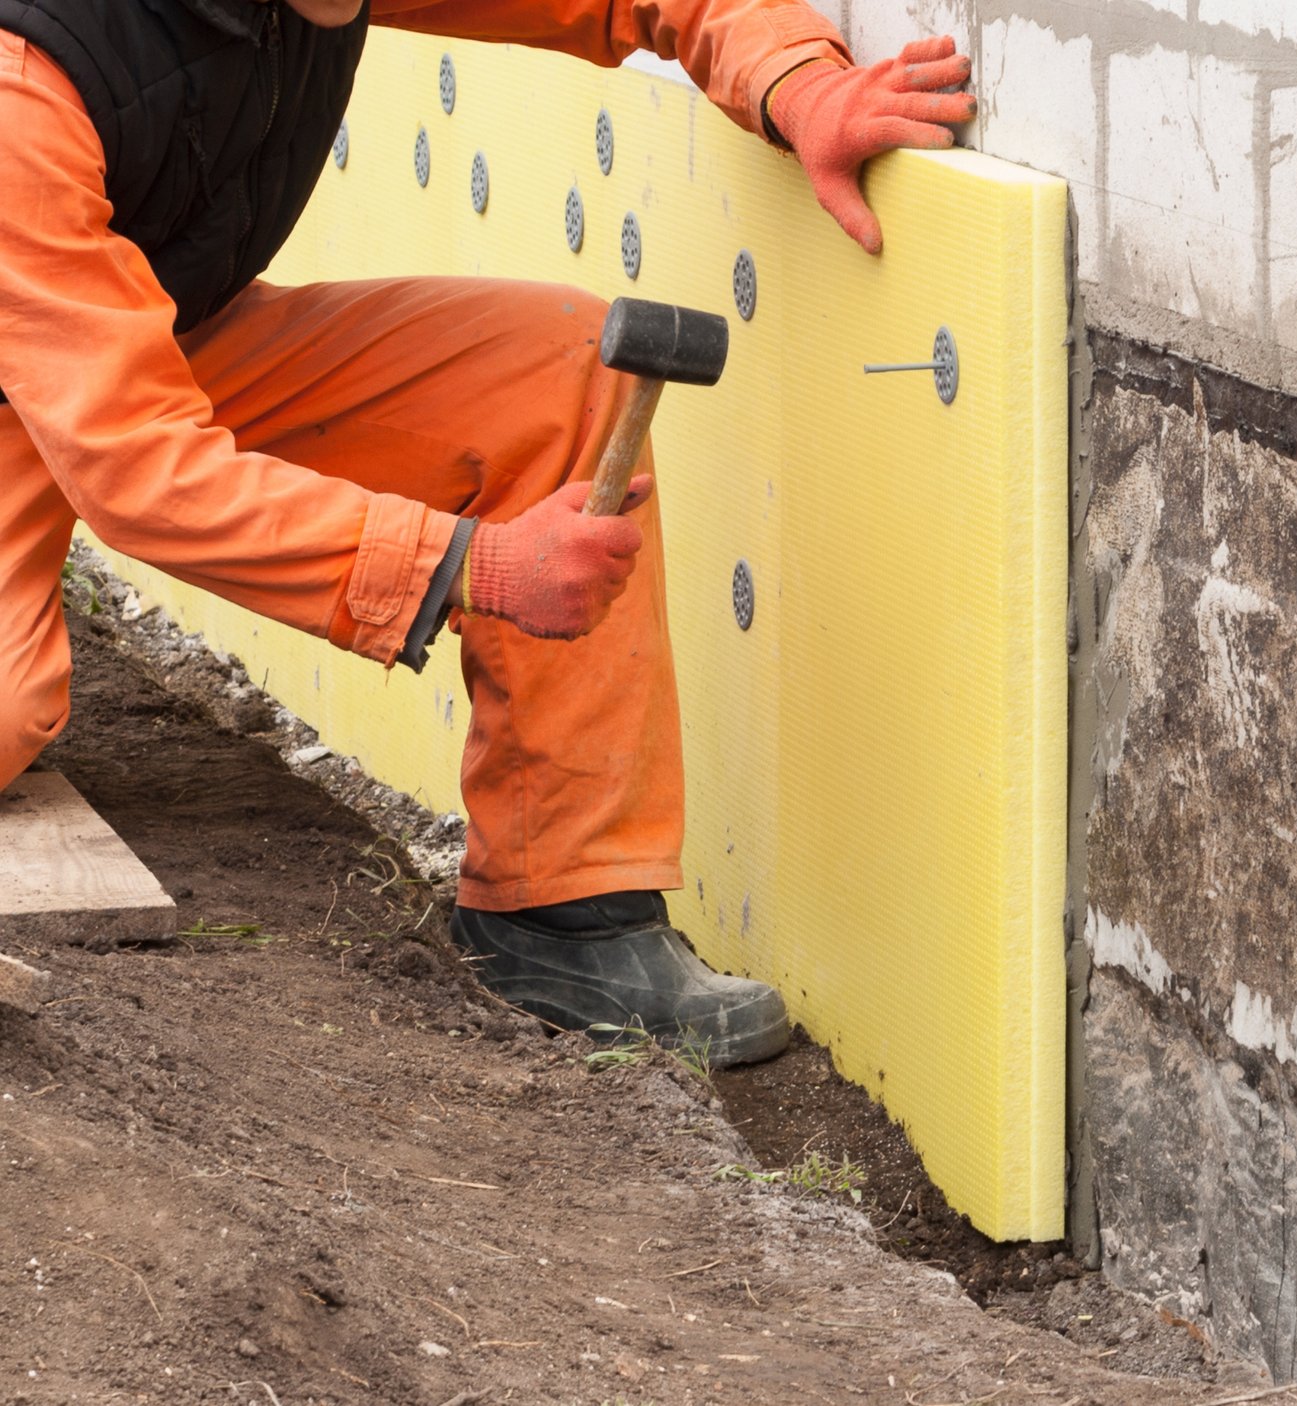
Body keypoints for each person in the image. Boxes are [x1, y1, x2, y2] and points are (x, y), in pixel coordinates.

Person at [0, 0, 974, 1064]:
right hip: (53, 392)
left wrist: (800, 85)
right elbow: (139, 469)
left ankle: (561, 911)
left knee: (557, 372)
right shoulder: (23, 79)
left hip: (152, 340)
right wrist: (473, 564)